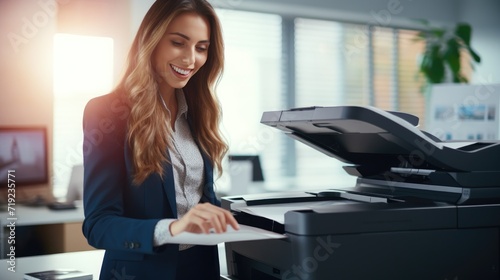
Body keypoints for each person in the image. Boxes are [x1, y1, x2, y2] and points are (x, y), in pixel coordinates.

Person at [81, 0, 239, 279]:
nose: (191, 59)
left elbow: (199, 202)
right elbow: (98, 225)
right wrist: (173, 229)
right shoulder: (108, 112)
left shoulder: (200, 113)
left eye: (201, 48)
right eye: (179, 43)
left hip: (201, 269)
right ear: (151, 40)